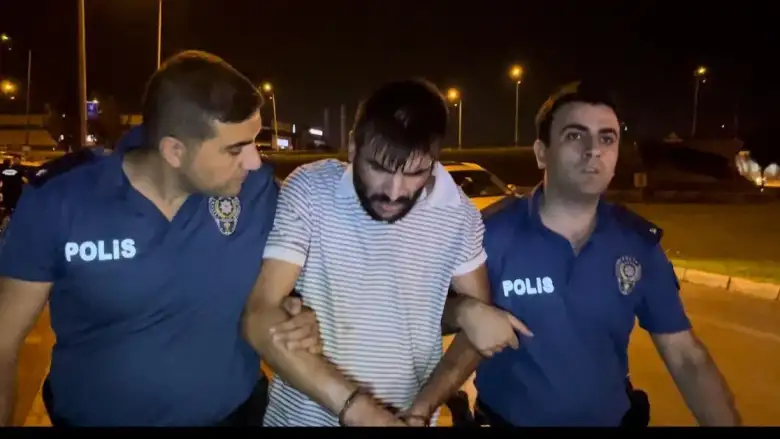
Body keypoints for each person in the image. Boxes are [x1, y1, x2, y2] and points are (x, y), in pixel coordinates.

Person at [0, 50, 321, 427]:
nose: (254, 161)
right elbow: (3, 343)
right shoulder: (61, 200)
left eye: (253, 142)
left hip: (233, 417)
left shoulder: (260, 193)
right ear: (174, 151)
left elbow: (301, 281)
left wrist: (296, 310)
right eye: (236, 148)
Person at [241, 79, 531, 427]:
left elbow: (477, 329)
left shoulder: (459, 215)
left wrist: (421, 411)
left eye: (416, 172)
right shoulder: (311, 189)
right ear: (353, 147)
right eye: (378, 168)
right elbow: (260, 313)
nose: (394, 192)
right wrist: (364, 414)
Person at [472, 81, 741, 426]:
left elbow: (685, 356)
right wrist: (464, 310)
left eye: (607, 138)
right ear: (541, 152)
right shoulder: (489, 234)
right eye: (574, 135)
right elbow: (431, 317)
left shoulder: (637, 243)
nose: (593, 150)